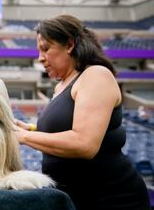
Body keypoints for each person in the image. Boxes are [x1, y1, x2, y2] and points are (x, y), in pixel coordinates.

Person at [15, 15, 150, 210]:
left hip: (111, 199)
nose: (40, 58)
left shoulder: (95, 75)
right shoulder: (62, 85)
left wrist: (24, 136)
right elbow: (67, 127)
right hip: (74, 198)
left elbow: (84, 144)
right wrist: (32, 129)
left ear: (69, 45)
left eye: (45, 49)